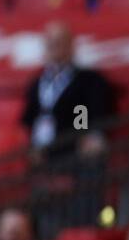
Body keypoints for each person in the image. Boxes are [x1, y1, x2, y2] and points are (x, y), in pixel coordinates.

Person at [20, 21, 115, 158]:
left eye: (59, 42)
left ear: (71, 45)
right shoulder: (37, 82)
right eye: (50, 42)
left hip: (71, 149)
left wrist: (88, 135)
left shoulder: (87, 81)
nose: (53, 47)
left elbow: (89, 112)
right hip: (40, 151)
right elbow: (28, 119)